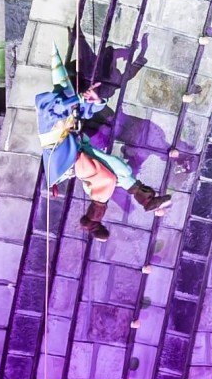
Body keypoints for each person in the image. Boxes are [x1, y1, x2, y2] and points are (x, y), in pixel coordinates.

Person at [34, 50, 170, 238]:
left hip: (66, 148)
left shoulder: (51, 124)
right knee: (114, 176)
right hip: (74, 146)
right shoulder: (120, 177)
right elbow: (82, 113)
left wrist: (54, 178)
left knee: (111, 177)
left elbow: (54, 110)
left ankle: (138, 200)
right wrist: (94, 101)